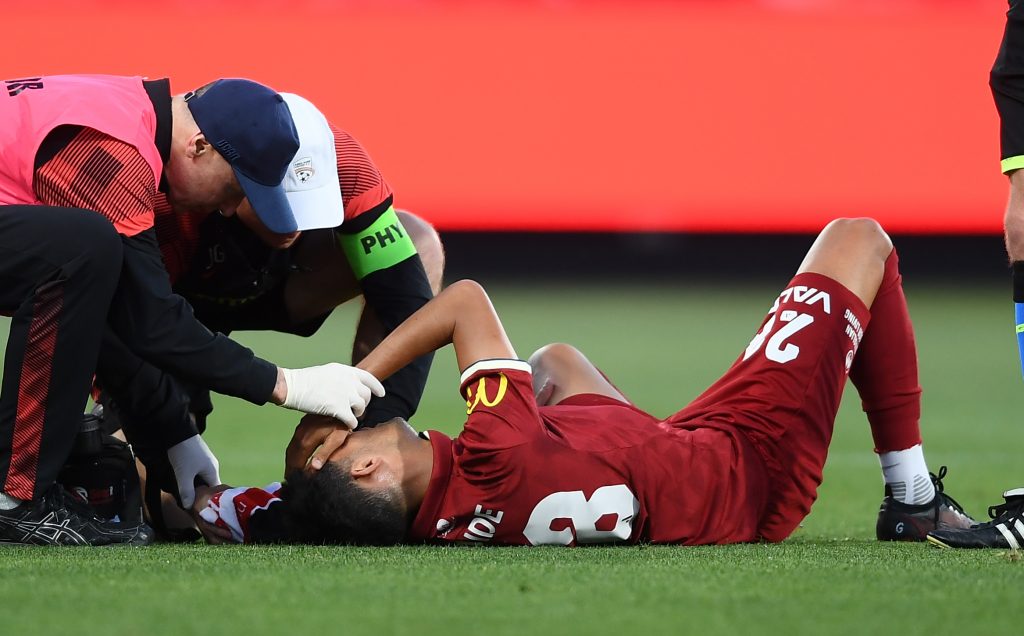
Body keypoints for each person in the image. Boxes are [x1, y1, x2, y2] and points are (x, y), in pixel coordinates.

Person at [196, 218, 975, 546]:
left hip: (642, 463)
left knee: (554, 361)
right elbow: (463, 301)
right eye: (350, 441)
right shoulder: (498, 447)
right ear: (366, 466)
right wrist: (351, 386)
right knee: (859, 240)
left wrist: (184, 495)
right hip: (743, 468)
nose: (351, 433)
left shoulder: (422, 510)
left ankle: (630, 462)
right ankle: (911, 501)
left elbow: (220, 505)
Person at [0, 75, 383, 546]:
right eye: (234, 189)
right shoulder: (113, 149)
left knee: (86, 256)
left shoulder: (124, 116)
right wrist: (287, 384)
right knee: (84, 246)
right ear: (200, 146)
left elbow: (115, 323)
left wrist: (175, 434)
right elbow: (153, 323)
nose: (227, 210)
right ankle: (14, 500)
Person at [91, 92, 442, 540]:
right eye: (279, 201)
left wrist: (364, 425)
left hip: (279, 287)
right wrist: (167, 428)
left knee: (418, 239)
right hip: (169, 301)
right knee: (161, 500)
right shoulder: (167, 190)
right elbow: (133, 326)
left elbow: (405, 299)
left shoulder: (349, 166)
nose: (291, 227)